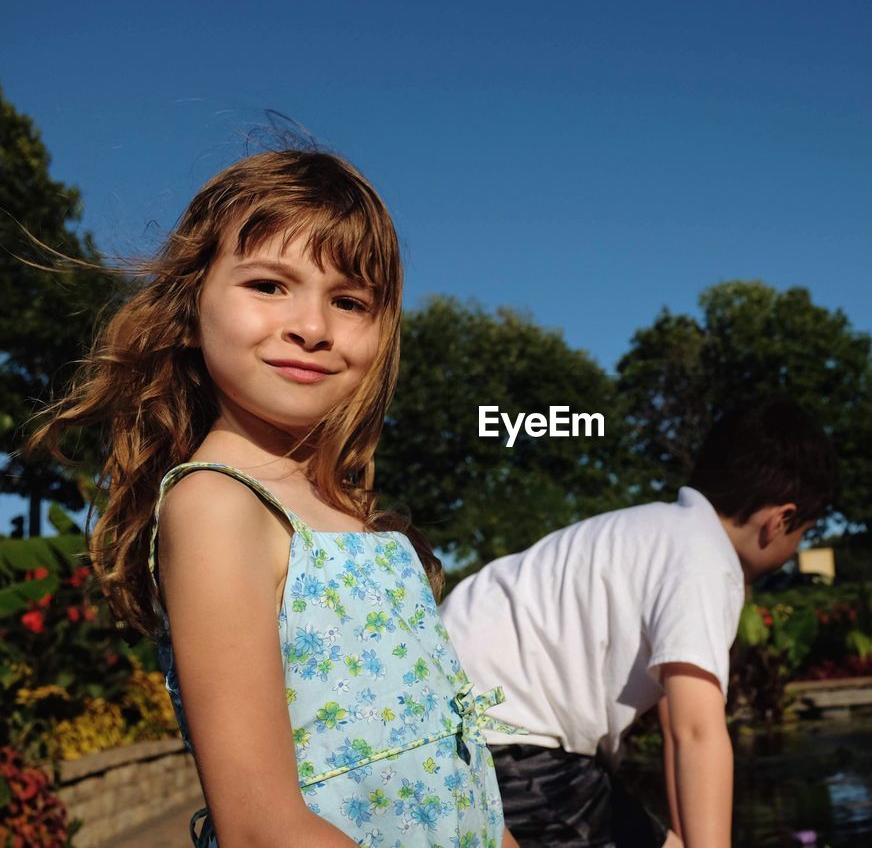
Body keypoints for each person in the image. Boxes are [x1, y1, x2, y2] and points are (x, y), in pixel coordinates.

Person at [30, 150, 514, 847]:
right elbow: (261, 825)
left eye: (349, 301)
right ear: (189, 310)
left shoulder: (348, 512)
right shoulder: (218, 505)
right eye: (268, 284)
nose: (312, 326)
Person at [441, 398, 838, 848]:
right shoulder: (706, 561)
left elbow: (675, 726)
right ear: (780, 520)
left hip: (464, 715)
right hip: (506, 735)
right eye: (806, 530)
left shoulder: (657, 531)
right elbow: (696, 732)